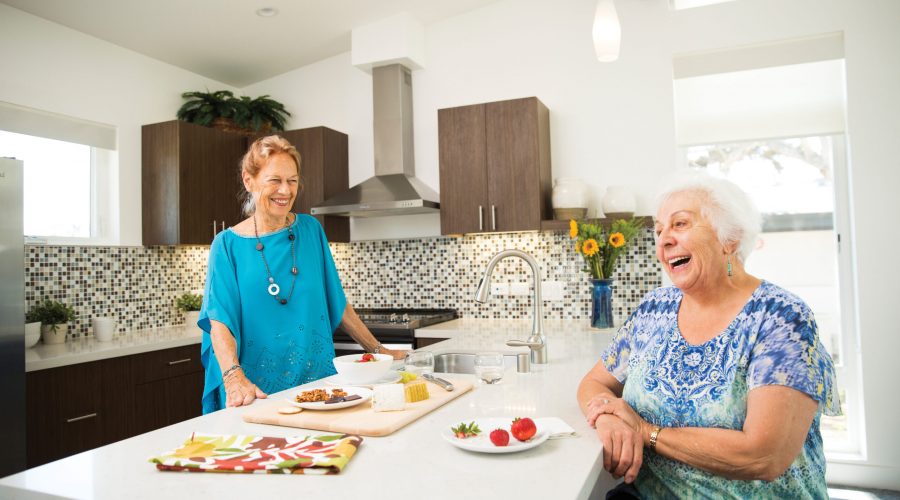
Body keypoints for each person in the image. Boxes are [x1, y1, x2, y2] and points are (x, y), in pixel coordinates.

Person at [577, 173, 840, 498]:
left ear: (730, 238)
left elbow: (764, 456)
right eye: (659, 231)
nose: (663, 240)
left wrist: (646, 432)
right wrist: (608, 417)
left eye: (680, 224)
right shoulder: (654, 309)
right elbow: (594, 383)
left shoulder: (780, 318)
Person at [198, 135, 405, 413]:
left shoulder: (310, 230)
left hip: (317, 383)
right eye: (274, 180)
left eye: (292, 180)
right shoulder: (226, 244)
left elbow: (337, 303)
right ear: (249, 181)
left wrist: (379, 350)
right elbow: (219, 320)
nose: (285, 190)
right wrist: (234, 377)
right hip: (255, 391)